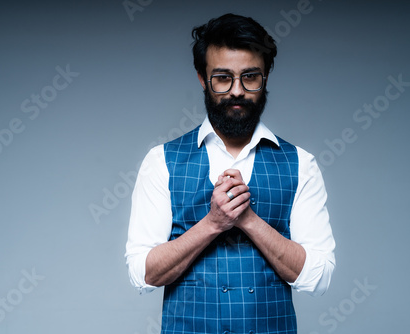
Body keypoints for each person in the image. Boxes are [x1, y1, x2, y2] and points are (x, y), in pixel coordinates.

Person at [125, 13, 335, 334]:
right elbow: (143, 274)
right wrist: (213, 224)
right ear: (202, 79)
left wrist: (248, 220)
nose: (237, 91)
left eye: (250, 76)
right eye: (223, 77)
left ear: (266, 76)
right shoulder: (161, 161)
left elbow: (318, 278)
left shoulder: (300, 164)